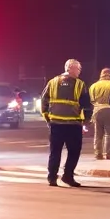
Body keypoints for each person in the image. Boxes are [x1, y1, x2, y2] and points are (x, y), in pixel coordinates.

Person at [39, 59, 92, 187]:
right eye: (78, 69)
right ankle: (68, 176)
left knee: (55, 151)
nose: (79, 72)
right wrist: (86, 121)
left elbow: (43, 102)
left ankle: (52, 177)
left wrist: (48, 119)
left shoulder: (52, 82)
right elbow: (86, 105)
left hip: (56, 124)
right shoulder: (80, 84)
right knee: (74, 151)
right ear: (70, 68)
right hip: (73, 125)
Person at [89, 67, 110, 160]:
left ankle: (98, 153)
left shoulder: (93, 86)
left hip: (96, 110)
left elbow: (92, 100)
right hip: (109, 109)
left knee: (98, 134)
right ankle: (109, 154)